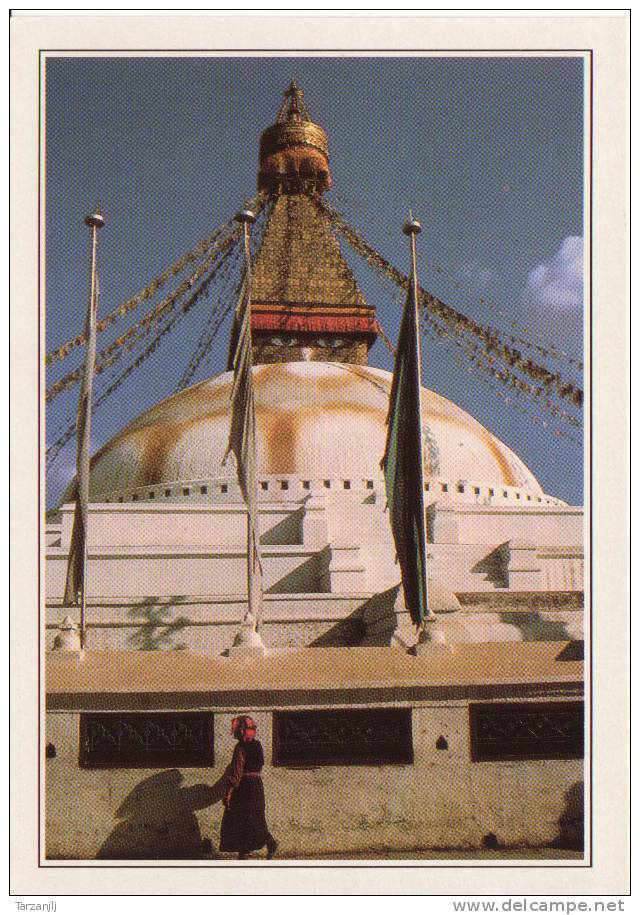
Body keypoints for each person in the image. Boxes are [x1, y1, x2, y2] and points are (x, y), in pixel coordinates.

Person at [219, 715, 278, 860]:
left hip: (244, 788)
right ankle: (269, 842)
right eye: (252, 728)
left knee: (242, 819)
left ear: (240, 731)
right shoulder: (258, 746)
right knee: (257, 818)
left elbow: (237, 772)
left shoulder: (240, 748)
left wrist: (229, 792)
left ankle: (244, 853)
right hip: (257, 785)